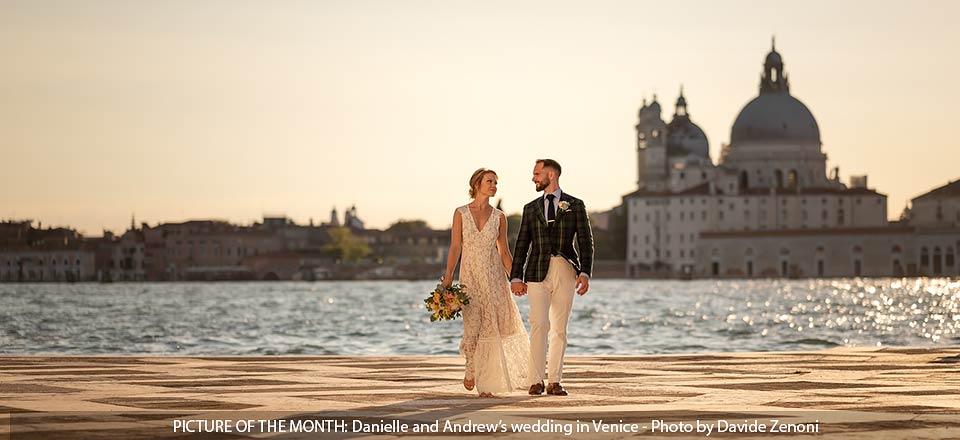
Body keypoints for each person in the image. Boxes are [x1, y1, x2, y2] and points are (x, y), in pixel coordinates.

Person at [442, 168, 531, 397]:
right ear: (477, 184)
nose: (494, 185)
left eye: (495, 182)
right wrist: (448, 277)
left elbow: (503, 252)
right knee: (472, 326)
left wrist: (515, 279)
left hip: (493, 278)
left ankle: (487, 384)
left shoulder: (499, 217)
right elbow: (455, 247)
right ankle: (470, 366)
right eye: (489, 181)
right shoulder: (460, 213)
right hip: (470, 276)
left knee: (492, 328)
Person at [510, 159, 594, 396]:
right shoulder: (530, 208)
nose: (533, 178)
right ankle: (535, 380)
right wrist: (516, 276)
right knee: (539, 325)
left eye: (537, 173)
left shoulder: (575, 205)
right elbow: (521, 245)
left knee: (559, 329)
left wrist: (585, 272)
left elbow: (586, 241)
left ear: (551, 174)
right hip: (536, 272)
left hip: (566, 271)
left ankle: (555, 381)